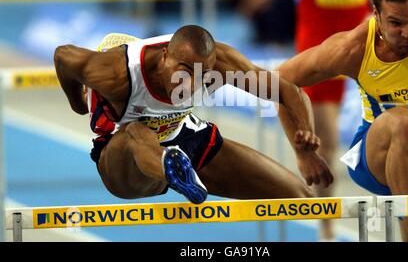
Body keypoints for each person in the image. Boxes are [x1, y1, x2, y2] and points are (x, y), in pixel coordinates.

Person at [278, 0, 408, 240]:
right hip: (376, 152)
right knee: (402, 123)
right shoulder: (351, 48)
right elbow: (279, 81)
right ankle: (327, 227)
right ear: (376, 15)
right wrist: (302, 153)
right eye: (396, 23)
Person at [53, 25, 333, 205]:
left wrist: (304, 144)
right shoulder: (117, 72)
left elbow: (286, 90)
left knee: (300, 198)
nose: (190, 81)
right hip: (126, 160)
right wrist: (77, 104)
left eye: (201, 73)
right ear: (164, 56)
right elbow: (63, 56)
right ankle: (172, 169)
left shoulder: (222, 63)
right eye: (183, 69)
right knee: (139, 132)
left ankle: (181, 168)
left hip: (186, 140)